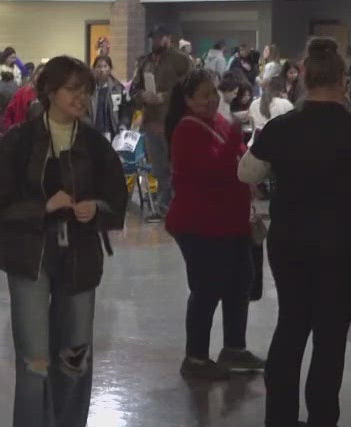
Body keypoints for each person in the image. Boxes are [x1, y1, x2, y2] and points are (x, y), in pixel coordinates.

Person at [0, 56, 129, 427]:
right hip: (30, 258)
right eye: (71, 90)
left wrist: (96, 208)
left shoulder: (97, 145)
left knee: (74, 355)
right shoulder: (19, 142)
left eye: (85, 90)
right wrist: (40, 207)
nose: (80, 98)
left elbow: (117, 201)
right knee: (34, 361)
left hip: (80, 260)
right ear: (49, 94)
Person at [238, 38, 351, 427]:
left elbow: (246, 174)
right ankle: (324, 426)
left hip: (290, 240)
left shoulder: (280, 128)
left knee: (290, 326)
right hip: (344, 241)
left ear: (302, 78)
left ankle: (280, 424)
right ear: (343, 81)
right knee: (330, 334)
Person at [164, 68, 264, 380]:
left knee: (239, 283)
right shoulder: (186, 130)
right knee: (207, 287)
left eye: (213, 94)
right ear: (188, 100)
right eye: (203, 95)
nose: (210, 100)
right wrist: (236, 137)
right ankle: (195, 356)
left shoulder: (219, 122)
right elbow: (212, 171)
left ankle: (234, 347)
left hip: (231, 220)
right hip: (199, 222)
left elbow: (239, 159)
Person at [131, 24, 195, 219]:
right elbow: (134, 89)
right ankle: (162, 206)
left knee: (176, 166)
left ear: (168, 37)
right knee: (159, 168)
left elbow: (190, 87)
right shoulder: (146, 62)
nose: (156, 42)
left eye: (160, 38)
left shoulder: (181, 60)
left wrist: (164, 97)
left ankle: (177, 205)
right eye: (153, 38)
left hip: (174, 123)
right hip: (152, 122)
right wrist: (143, 96)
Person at [90, 54, 126, 135]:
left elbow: (125, 110)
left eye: (105, 66)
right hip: (93, 132)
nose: (102, 70)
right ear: (94, 69)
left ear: (110, 69)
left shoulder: (118, 88)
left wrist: (123, 125)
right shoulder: (89, 89)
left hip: (113, 131)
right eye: (99, 66)